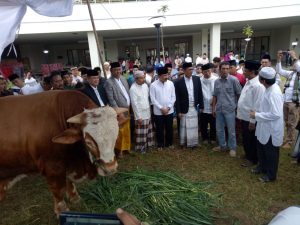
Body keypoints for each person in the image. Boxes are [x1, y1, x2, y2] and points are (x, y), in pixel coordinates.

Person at [250, 67, 284, 182]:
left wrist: (257, 115)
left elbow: (276, 114)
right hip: (263, 126)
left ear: (263, 80)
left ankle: (271, 175)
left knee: (271, 152)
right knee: (261, 148)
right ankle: (262, 167)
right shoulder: (267, 88)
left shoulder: (274, 93)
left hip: (271, 129)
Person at [237, 60, 265, 167]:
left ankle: (251, 158)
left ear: (252, 71)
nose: (243, 71)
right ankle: (248, 154)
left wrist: (253, 121)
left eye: (245, 70)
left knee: (251, 139)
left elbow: (257, 105)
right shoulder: (249, 81)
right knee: (246, 137)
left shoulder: (258, 85)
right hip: (244, 116)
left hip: (251, 118)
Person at [212, 61, 242, 157]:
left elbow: (239, 94)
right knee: (219, 129)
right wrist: (213, 108)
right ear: (219, 69)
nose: (225, 70)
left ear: (229, 69)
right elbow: (215, 96)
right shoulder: (216, 81)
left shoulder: (234, 80)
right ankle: (222, 146)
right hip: (219, 109)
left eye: (227, 68)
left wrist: (236, 107)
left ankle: (232, 148)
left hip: (230, 110)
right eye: (223, 68)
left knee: (231, 130)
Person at [105, 62, 131, 157]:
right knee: (119, 130)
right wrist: (118, 112)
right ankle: (119, 150)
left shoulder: (124, 79)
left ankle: (127, 148)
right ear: (111, 71)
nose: (118, 71)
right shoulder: (109, 82)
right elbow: (111, 99)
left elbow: (127, 92)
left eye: (119, 69)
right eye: (115, 70)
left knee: (127, 129)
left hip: (127, 108)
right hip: (118, 110)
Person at [175, 62, 204, 148]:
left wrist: (201, 105)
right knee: (184, 126)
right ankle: (183, 143)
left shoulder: (196, 79)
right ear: (184, 70)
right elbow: (177, 98)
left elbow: (199, 93)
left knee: (194, 125)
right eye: (189, 70)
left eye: (192, 69)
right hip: (184, 108)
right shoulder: (178, 82)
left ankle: (193, 143)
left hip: (194, 107)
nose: (191, 71)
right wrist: (179, 111)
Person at [276, 50, 300, 149]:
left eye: (294, 63)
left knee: (292, 122)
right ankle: (287, 139)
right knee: (286, 121)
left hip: (294, 102)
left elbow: (299, 66)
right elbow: (279, 71)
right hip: (285, 100)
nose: (293, 64)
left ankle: (290, 141)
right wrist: (278, 59)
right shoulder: (291, 73)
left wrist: (294, 57)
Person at [150, 67, 176, 150]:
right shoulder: (153, 85)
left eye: (167, 75)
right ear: (159, 76)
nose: (166, 77)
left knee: (169, 128)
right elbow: (153, 99)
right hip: (158, 111)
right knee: (159, 128)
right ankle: (160, 144)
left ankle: (169, 143)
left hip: (169, 110)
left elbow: (173, 97)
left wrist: (168, 107)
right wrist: (161, 108)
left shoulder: (171, 83)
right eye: (164, 75)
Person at [129, 70, 154, 153]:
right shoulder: (133, 89)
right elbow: (134, 105)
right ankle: (140, 148)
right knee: (141, 132)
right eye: (141, 78)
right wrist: (138, 117)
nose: (143, 79)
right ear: (136, 79)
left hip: (147, 111)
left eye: (144, 77)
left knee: (148, 130)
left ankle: (148, 145)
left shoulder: (145, 86)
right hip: (140, 114)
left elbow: (147, 98)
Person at [200, 63, 218, 144]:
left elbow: (218, 92)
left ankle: (213, 138)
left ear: (211, 71)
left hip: (214, 104)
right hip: (204, 104)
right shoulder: (199, 80)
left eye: (208, 71)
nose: (207, 73)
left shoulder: (216, 79)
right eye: (205, 71)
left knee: (213, 123)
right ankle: (205, 138)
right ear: (202, 72)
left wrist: (215, 100)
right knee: (203, 123)